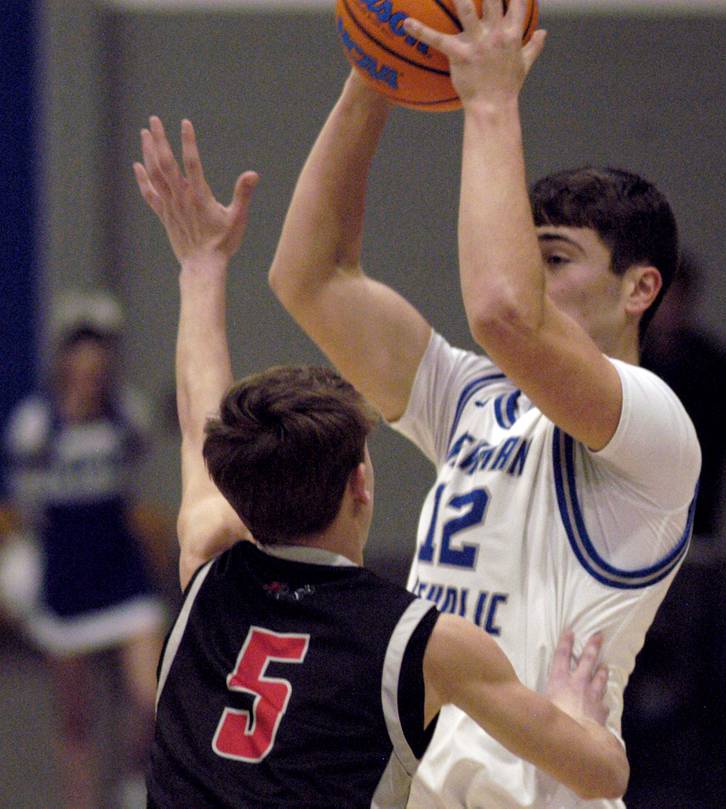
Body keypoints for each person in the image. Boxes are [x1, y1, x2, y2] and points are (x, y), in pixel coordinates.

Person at [267, 1, 701, 807]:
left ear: (641, 287)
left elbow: (506, 312)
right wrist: (378, 69)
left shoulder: (655, 426)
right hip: (422, 784)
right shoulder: (473, 398)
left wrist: (492, 101)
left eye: (557, 257)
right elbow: (311, 277)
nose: (532, 273)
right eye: (527, 250)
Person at [134, 115, 629, 808]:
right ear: (360, 483)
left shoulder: (207, 562)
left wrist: (200, 267)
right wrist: (577, 710)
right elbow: (601, 773)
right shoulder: (424, 639)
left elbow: (198, 417)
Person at [2, 290, 166, 809]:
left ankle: (137, 786)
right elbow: (22, 510)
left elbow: (135, 483)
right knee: (77, 720)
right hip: (67, 580)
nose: (92, 360)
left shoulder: (127, 417)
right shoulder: (35, 428)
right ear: (64, 356)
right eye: (81, 347)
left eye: (101, 348)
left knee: (149, 696)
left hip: (122, 573)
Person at [640, 249, 726, 538]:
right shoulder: (626, 364)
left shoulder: (717, 366)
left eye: (676, 296)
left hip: (698, 505)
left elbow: (722, 441)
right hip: (634, 509)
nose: (668, 306)